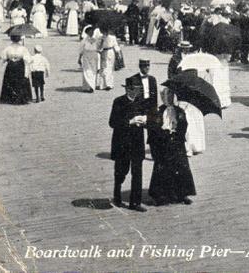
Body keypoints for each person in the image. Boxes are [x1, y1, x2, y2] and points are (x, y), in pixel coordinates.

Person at [109, 80, 152, 211]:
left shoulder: (141, 102)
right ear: (127, 90)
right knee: (121, 172)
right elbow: (112, 122)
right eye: (134, 89)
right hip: (122, 143)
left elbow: (147, 119)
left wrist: (144, 121)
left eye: (138, 89)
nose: (136, 92)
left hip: (137, 143)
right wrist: (129, 122)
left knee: (137, 173)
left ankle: (135, 202)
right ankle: (117, 195)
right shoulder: (118, 102)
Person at [147, 90, 196, 206]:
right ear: (162, 98)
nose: (168, 99)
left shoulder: (179, 111)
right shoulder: (157, 111)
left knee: (181, 167)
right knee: (162, 169)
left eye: (170, 96)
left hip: (177, 143)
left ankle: (183, 194)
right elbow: (152, 129)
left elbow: (184, 125)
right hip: (163, 143)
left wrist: (177, 126)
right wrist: (164, 132)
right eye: (165, 96)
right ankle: (161, 195)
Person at [0, 34, 32, 104]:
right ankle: (20, 97)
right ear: (19, 39)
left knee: (10, 80)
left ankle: (9, 98)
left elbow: (3, 57)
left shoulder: (8, 48)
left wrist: (9, 58)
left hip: (11, 65)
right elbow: (28, 59)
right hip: (20, 65)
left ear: (11, 38)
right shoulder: (23, 48)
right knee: (20, 80)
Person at [78, 26, 100, 93]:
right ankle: (87, 86)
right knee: (87, 71)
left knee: (93, 71)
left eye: (92, 32)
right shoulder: (84, 40)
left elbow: (99, 49)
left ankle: (92, 86)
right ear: (87, 33)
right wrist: (79, 58)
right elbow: (81, 50)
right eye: (90, 32)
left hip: (94, 56)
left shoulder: (96, 40)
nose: (91, 33)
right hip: (86, 56)